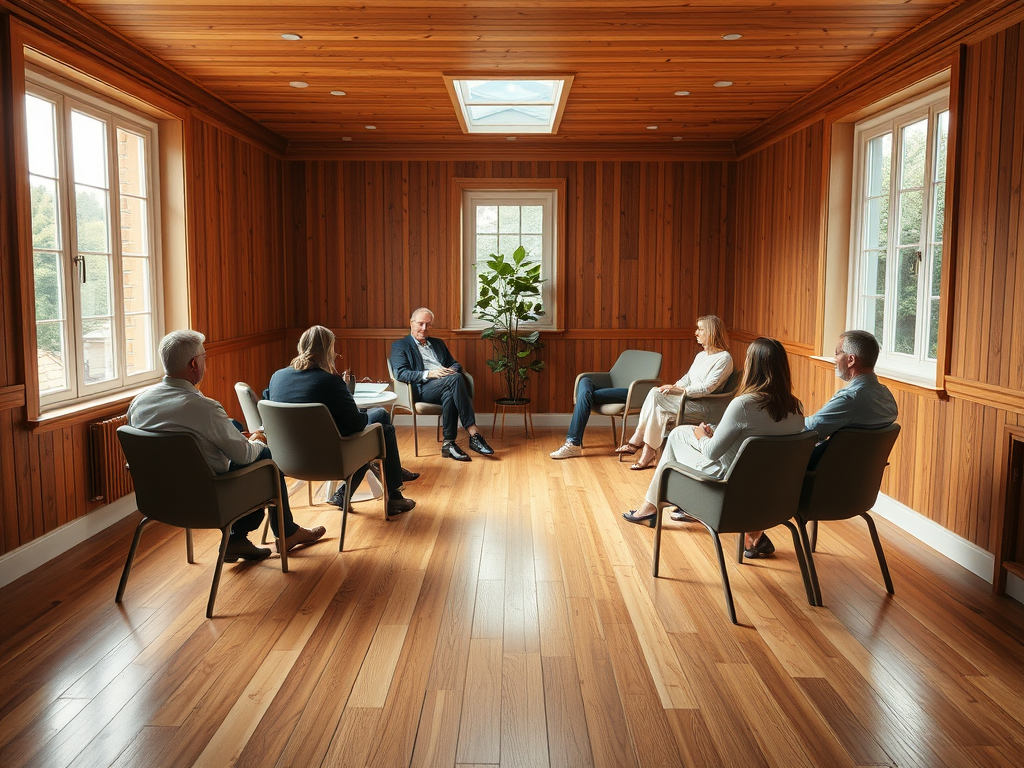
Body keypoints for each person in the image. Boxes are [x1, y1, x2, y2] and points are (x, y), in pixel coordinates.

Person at [683, 329, 899, 558]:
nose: (835, 359)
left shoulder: (851, 399)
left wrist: (765, 425)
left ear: (851, 360)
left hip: (816, 486)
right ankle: (754, 536)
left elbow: (807, 429)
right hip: (856, 488)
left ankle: (750, 529)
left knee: (764, 458)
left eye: (837, 353)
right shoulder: (886, 398)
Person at [127, 330, 326, 562]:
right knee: (266, 455)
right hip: (209, 499)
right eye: (204, 358)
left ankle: (241, 540)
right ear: (193, 364)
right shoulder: (205, 408)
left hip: (158, 499)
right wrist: (257, 439)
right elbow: (244, 456)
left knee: (232, 425)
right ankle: (272, 533)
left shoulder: (139, 403)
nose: (206, 364)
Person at [622, 337, 806, 560]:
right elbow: (758, 437)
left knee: (678, 436)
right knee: (684, 435)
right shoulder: (796, 407)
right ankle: (754, 533)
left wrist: (702, 435)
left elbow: (712, 452)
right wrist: (715, 433)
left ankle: (651, 507)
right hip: (773, 491)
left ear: (753, 366)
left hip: (725, 487)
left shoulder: (744, 404)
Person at [264, 325, 417, 518]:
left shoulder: (277, 377)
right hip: (332, 459)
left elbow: (268, 403)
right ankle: (393, 494)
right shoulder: (330, 381)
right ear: (328, 350)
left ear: (301, 346)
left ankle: (347, 494)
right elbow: (356, 424)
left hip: (286, 458)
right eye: (333, 348)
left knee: (377, 423)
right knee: (381, 425)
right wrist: (361, 411)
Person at [610, 315, 733, 469]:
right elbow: (687, 378)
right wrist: (673, 386)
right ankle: (647, 453)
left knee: (656, 395)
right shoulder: (701, 355)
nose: (696, 333)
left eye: (700, 329)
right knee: (658, 401)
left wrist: (680, 390)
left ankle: (638, 441)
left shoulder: (724, 358)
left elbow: (707, 388)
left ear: (711, 332)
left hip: (704, 405)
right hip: (686, 400)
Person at [390, 307, 494, 461]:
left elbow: (455, 364)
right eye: (420, 324)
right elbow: (401, 373)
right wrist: (430, 373)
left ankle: (448, 444)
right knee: (455, 379)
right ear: (411, 323)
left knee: (450, 390)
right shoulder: (400, 346)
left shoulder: (437, 343)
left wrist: (450, 370)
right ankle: (473, 432)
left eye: (428, 324)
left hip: (446, 383)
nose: (424, 328)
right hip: (423, 388)